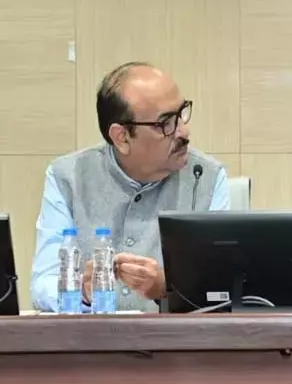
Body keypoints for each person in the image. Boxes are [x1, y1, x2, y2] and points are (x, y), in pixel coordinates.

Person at [30, 62, 230, 313]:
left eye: (182, 114)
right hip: (90, 336)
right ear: (122, 137)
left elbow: (221, 290)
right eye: (166, 123)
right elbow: (43, 284)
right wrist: (81, 291)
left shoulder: (207, 178)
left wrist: (168, 288)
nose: (184, 132)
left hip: (174, 337)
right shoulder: (68, 177)